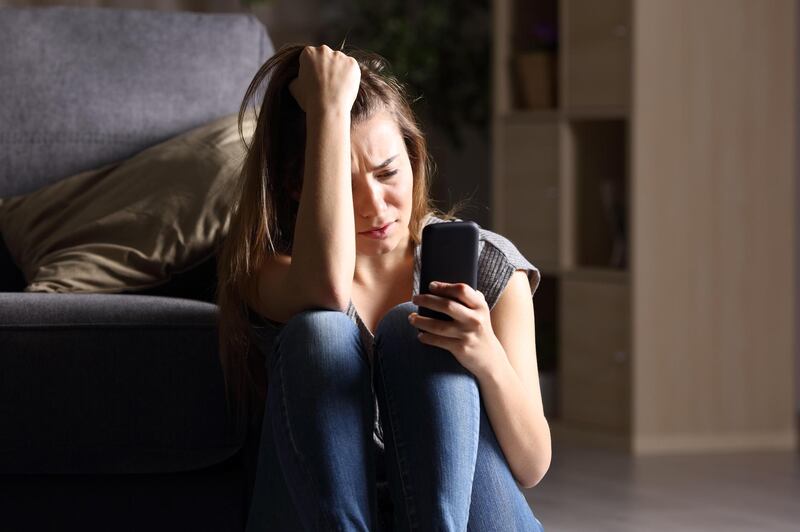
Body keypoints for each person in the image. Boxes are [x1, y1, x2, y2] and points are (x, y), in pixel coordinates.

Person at [216, 44, 550, 531]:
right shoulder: (269, 272)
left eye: (388, 172)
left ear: (414, 156)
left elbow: (532, 466)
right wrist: (327, 109)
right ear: (299, 186)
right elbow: (325, 288)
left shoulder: (489, 265)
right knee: (320, 333)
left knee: (412, 331)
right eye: (346, 184)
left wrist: (484, 354)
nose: (374, 206)